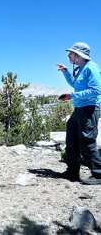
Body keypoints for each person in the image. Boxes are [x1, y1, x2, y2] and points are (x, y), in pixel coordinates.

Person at [56, 42, 101, 185]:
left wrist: (72, 96)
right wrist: (66, 72)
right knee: (72, 138)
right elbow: (75, 84)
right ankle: (72, 171)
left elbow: (96, 90)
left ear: (79, 54)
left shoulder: (91, 68)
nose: (69, 55)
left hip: (90, 108)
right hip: (80, 109)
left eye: (71, 53)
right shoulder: (81, 69)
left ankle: (98, 174)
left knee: (87, 141)